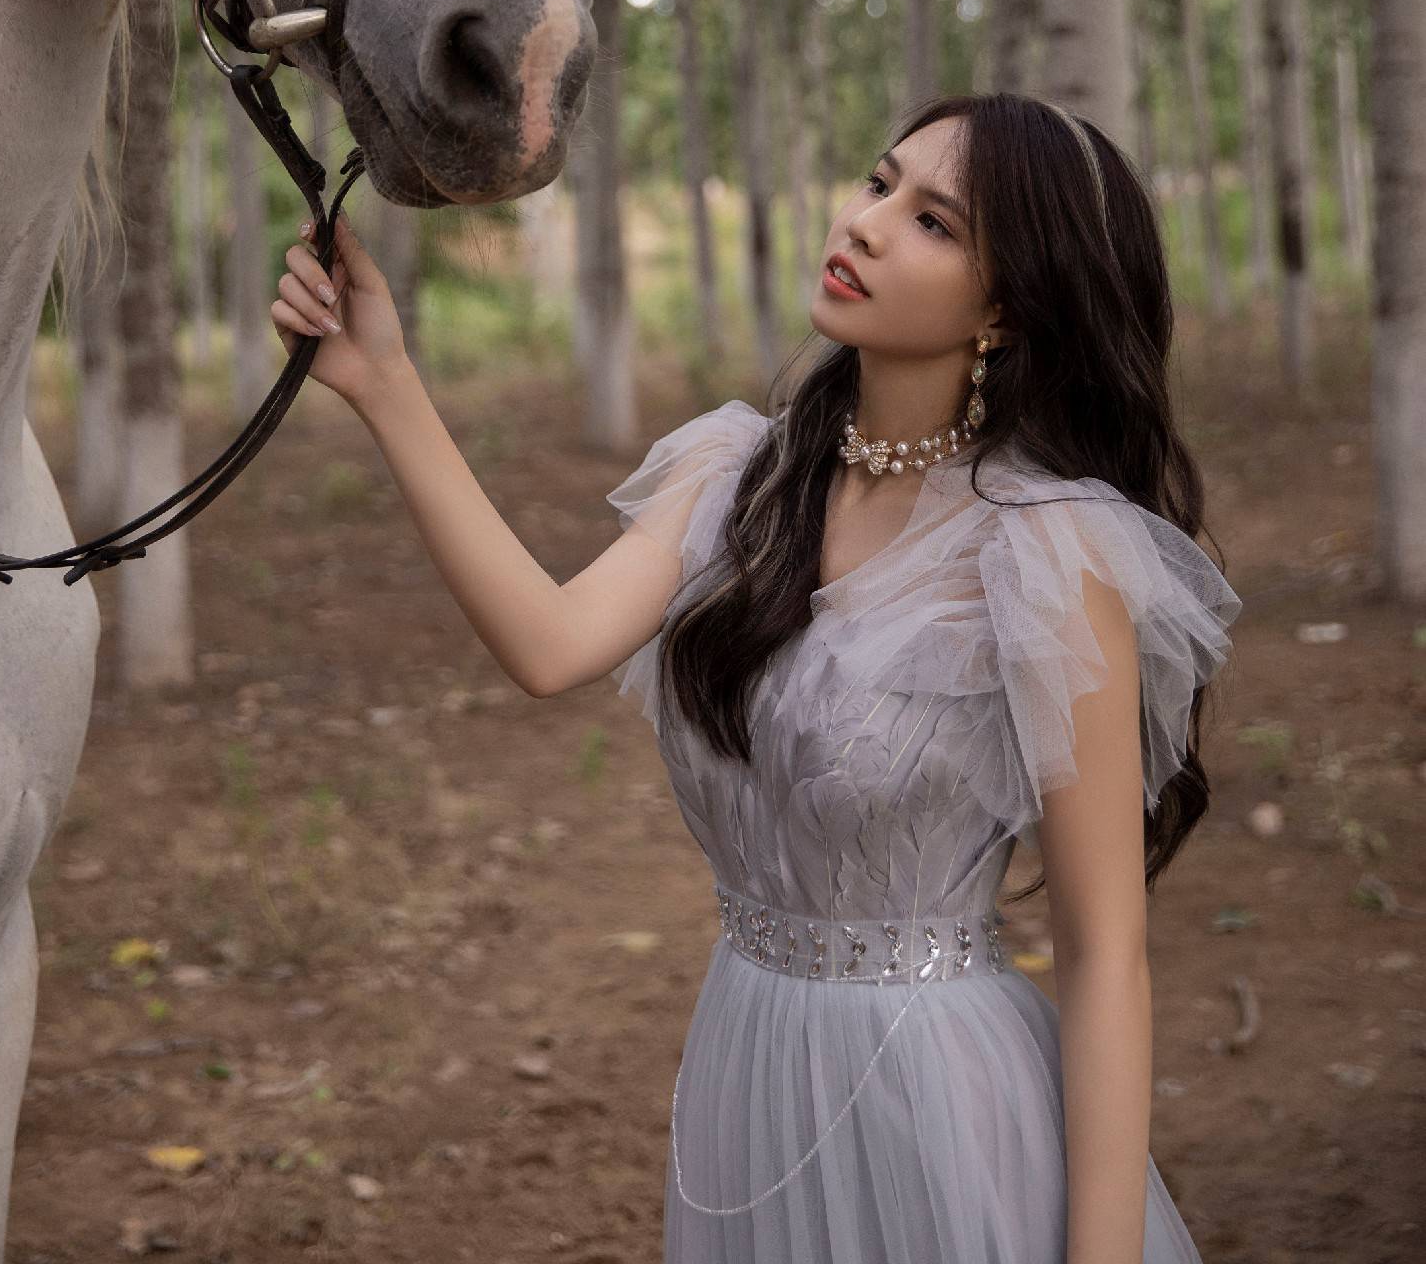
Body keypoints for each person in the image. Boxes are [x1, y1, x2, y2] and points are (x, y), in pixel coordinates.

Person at [272, 89, 1242, 1264]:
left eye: (934, 223)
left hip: (939, 1098)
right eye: (879, 183)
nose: (870, 224)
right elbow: (547, 643)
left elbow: (1103, 954)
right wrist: (384, 384)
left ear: (1006, 308)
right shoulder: (739, 476)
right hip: (746, 1058)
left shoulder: (1041, 553)